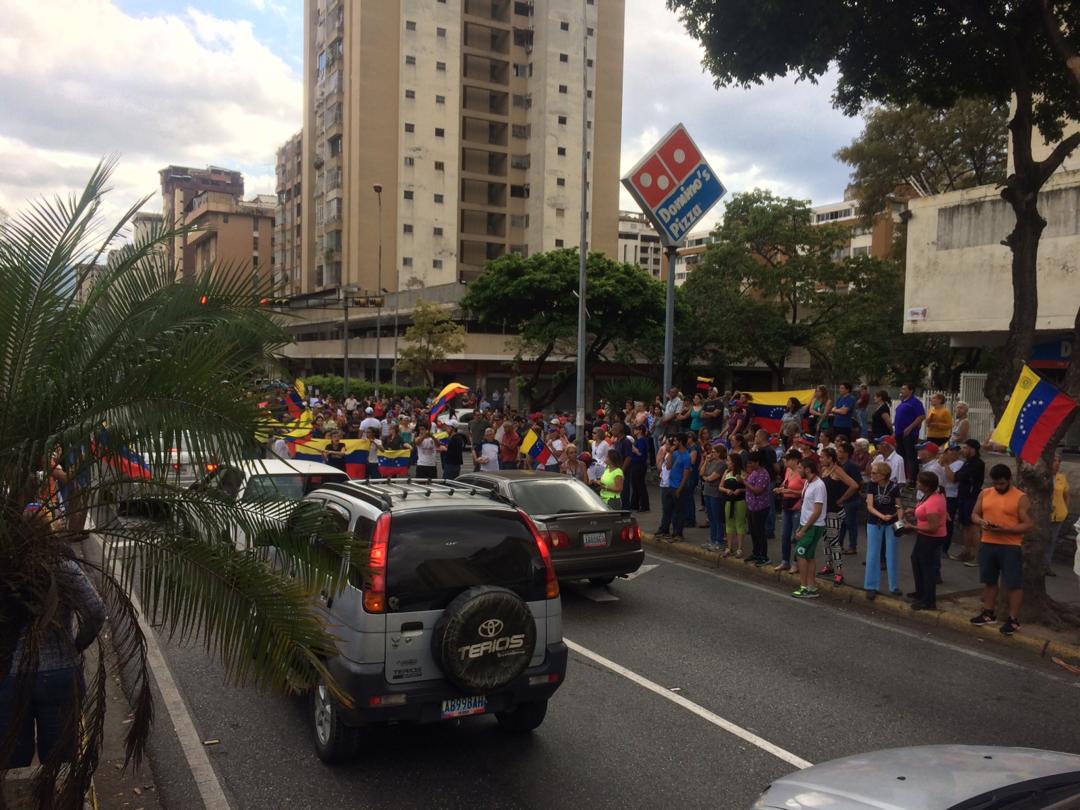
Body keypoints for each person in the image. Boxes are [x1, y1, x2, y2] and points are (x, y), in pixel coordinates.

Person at [0, 552, 106, 770]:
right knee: (60, 759)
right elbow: (95, 610)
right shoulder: (62, 566)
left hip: (10, 675)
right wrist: (76, 645)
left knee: (12, 760)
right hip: (59, 673)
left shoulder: (5, 568)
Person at [970, 464, 1033, 635]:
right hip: (988, 541)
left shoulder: (1021, 497)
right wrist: (981, 522)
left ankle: (1013, 619)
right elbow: (974, 514)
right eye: (996, 484)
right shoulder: (985, 493)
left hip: (1010, 545)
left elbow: (1028, 525)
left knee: (1013, 582)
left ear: (1009, 480)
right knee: (989, 579)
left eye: (1002, 484)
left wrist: (1006, 529)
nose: (998, 487)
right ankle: (988, 612)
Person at [903, 471, 948, 610]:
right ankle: (920, 592)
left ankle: (928, 600)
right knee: (916, 560)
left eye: (919, 482)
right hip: (924, 535)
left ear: (927, 486)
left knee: (927, 567)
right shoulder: (930, 495)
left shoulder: (934, 502)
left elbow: (933, 527)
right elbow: (923, 509)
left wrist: (912, 527)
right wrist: (913, 511)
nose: (917, 483)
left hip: (931, 537)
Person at [817, 447, 860, 586]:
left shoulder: (837, 471)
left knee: (834, 542)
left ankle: (839, 572)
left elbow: (854, 485)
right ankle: (829, 566)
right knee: (826, 539)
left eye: (823, 457)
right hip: (825, 510)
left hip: (834, 511)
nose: (821, 459)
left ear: (831, 458)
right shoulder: (824, 470)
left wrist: (842, 499)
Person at [863, 461, 901, 600]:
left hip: (891, 522)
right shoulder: (872, 485)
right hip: (875, 521)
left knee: (892, 554)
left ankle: (894, 585)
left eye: (874, 473)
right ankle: (871, 586)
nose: (871, 475)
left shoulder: (894, 487)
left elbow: (898, 506)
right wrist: (882, 516)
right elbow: (870, 506)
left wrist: (898, 519)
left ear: (883, 475)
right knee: (872, 553)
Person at [793, 457, 828, 598]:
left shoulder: (819, 485)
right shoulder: (808, 482)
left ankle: (804, 587)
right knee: (809, 556)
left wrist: (804, 529)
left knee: (800, 553)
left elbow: (817, 511)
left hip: (813, 526)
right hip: (806, 523)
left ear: (807, 469)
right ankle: (811, 586)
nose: (798, 470)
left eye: (800, 468)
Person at [950, 439, 986, 566]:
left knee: (974, 526)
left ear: (973, 449)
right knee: (965, 525)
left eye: (966, 448)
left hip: (972, 498)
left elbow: (957, 477)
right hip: (964, 497)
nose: (963, 450)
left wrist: (945, 465)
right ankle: (966, 551)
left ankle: (977, 556)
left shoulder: (977, 463)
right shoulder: (967, 463)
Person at [773, 451, 805, 573]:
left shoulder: (801, 473)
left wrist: (789, 491)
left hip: (797, 507)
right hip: (786, 506)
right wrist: (781, 489)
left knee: (796, 536)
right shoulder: (788, 471)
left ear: (795, 460)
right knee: (784, 535)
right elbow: (786, 485)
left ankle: (796, 562)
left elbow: (804, 491)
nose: (785, 461)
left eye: (788, 459)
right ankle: (785, 561)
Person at [745, 451, 773, 566]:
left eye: (751, 462)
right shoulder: (755, 472)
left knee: (760, 531)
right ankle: (755, 552)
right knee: (753, 530)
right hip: (751, 506)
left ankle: (764, 555)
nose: (750, 465)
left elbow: (758, 490)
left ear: (757, 462)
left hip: (760, 507)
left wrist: (744, 482)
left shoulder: (763, 474)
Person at [894, 383, 926, 481]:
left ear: (910, 390)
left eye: (904, 389)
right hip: (899, 433)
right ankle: (902, 477)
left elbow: (921, 416)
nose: (901, 390)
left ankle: (912, 479)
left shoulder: (915, 402)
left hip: (909, 434)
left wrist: (910, 428)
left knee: (910, 455)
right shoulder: (903, 402)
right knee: (900, 456)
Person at [836, 442, 863, 555]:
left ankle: (853, 546)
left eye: (841, 451)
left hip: (851, 500)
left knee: (850, 524)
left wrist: (846, 496)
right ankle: (840, 544)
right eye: (838, 450)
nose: (838, 453)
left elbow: (858, 482)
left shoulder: (851, 466)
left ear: (847, 454)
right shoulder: (839, 465)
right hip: (842, 499)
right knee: (842, 524)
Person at [719, 453, 747, 558]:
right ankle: (729, 547)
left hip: (740, 501)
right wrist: (727, 490)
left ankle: (739, 548)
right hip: (728, 500)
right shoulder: (727, 472)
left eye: (728, 460)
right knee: (729, 523)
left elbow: (748, 488)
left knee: (740, 523)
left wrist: (740, 489)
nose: (727, 462)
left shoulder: (743, 474)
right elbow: (720, 486)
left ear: (734, 462)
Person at [1046, 454, 1070, 576]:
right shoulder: (1044, 476)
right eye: (1055, 460)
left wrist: (1065, 509)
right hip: (1045, 515)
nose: (1057, 463)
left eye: (1059, 461)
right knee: (1041, 540)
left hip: (1058, 514)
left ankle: (1047, 566)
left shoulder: (1061, 478)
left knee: (1052, 541)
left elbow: (1066, 495)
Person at [700, 443, 727, 551]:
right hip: (707, 492)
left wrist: (705, 478)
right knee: (711, 518)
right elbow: (701, 473)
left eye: (714, 452)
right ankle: (712, 539)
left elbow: (711, 478)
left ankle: (719, 540)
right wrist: (706, 461)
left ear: (719, 453)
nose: (711, 453)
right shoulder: (712, 462)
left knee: (717, 518)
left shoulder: (722, 464)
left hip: (715, 494)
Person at [668, 434, 693, 542]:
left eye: (676, 441)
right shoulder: (675, 453)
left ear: (681, 442)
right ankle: (674, 532)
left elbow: (686, 475)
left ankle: (679, 533)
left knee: (679, 511)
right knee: (673, 510)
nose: (674, 443)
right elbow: (669, 466)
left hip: (679, 486)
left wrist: (679, 489)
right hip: (671, 485)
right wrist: (669, 453)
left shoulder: (687, 456)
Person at [654, 436, 676, 539]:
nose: (664, 446)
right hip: (664, 483)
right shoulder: (666, 454)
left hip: (670, 485)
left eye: (666, 444)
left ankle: (671, 530)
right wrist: (662, 456)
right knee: (665, 508)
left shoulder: (673, 455)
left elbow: (668, 467)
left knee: (671, 509)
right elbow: (659, 468)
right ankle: (664, 528)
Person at [629, 424, 651, 512]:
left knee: (640, 485)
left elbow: (640, 453)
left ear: (640, 431)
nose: (634, 430)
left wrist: (633, 448)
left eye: (636, 429)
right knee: (635, 485)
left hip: (639, 465)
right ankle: (635, 504)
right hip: (635, 464)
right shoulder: (638, 440)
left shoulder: (642, 440)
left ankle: (644, 505)